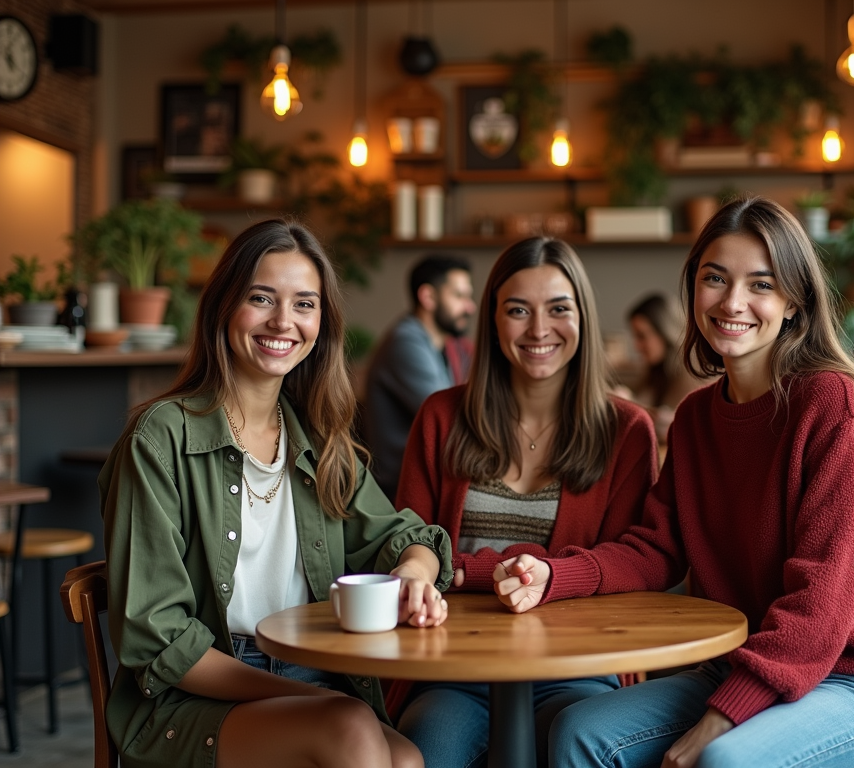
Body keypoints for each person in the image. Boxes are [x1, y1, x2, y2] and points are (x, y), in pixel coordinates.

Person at [494, 198, 854, 768]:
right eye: (715, 279)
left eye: (761, 284)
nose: (732, 303)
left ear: (794, 302)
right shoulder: (698, 418)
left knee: (723, 760)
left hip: (852, 681)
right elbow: (656, 547)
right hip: (740, 664)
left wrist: (719, 720)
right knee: (578, 730)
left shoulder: (833, 405)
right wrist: (556, 574)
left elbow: (822, 601)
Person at [99, 219, 453, 768]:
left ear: (321, 324)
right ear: (223, 307)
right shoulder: (160, 439)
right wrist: (312, 699)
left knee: (405, 757)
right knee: (351, 728)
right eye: (261, 298)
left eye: (304, 304)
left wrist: (413, 573)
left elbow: (408, 536)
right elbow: (158, 638)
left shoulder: (320, 440)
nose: (283, 321)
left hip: (310, 676)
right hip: (192, 695)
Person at [392, 237, 659, 768]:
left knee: (573, 742)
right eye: (518, 310)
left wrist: (463, 571)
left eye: (559, 309)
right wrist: (431, 570)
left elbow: (637, 561)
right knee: (428, 746)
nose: (539, 330)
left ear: (582, 316)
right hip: (454, 665)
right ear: (492, 321)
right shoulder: (442, 416)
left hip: (576, 665)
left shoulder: (627, 431)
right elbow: (408, 543)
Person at [364, 255, 477, 500]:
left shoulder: (447, 346)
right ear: (428, 297)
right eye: (459, 296)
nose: (470, 307)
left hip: (434, 477)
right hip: (401, 491)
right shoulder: (405, 342)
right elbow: (452, 420)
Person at [623, 293, 708, 441]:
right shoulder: (656, 369)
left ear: (665, 333)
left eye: (642, 336)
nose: (637, 346)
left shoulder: (692, 376)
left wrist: (629, 404)